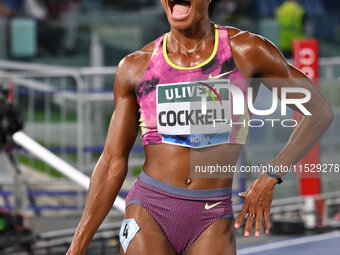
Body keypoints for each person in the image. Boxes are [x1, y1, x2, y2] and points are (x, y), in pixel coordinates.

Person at [66, 0, 333, 254]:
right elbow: (112, 160)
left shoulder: (247, 51)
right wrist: (76, 247)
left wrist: (271, 175)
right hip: (150, 209)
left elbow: (318, 111)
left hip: (212, 215)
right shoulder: (136, 66)